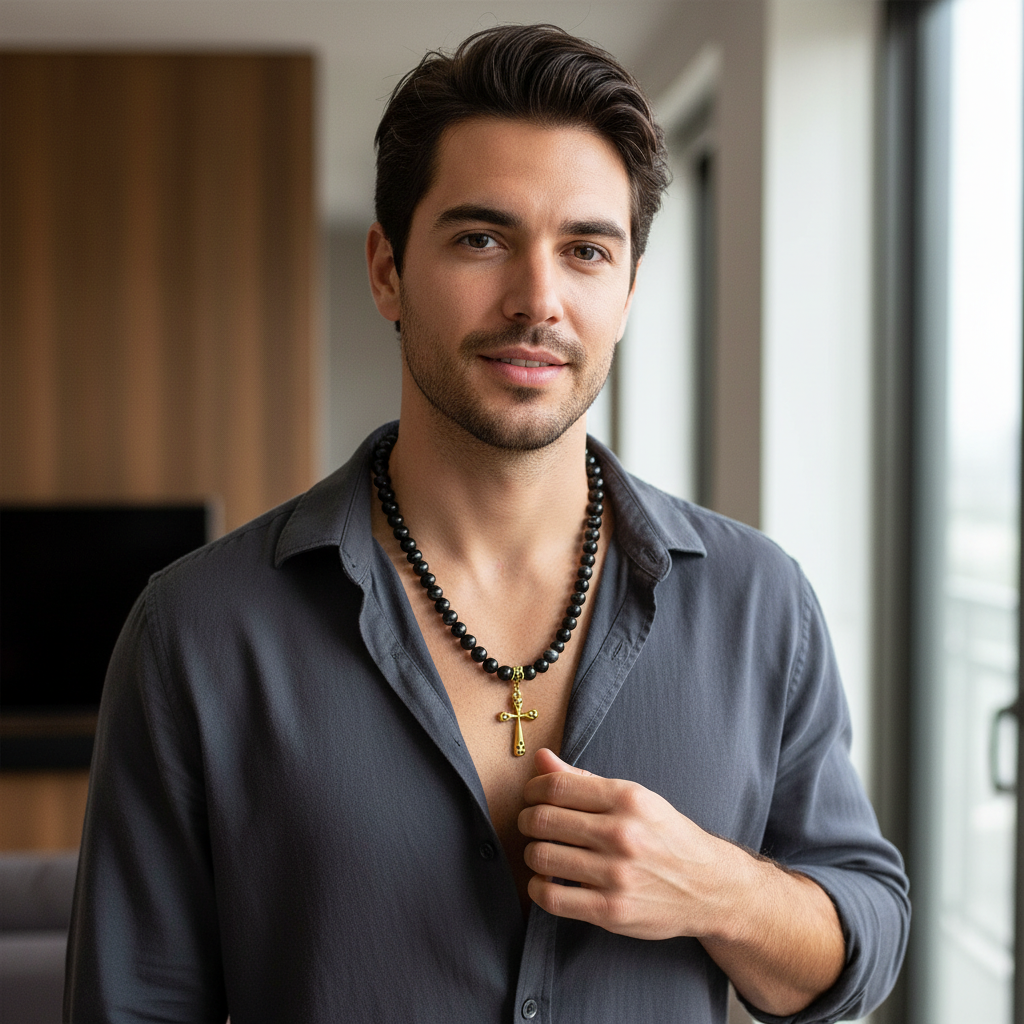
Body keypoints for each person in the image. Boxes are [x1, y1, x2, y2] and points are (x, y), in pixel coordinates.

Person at [66, 23, 909, 1024]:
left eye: (586, 250)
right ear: (387, 269)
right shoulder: (195, 633)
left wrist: (718, 888)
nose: (536, 300)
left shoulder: (759, 601)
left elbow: (863, 939)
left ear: (629, 290)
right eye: (481, 238)